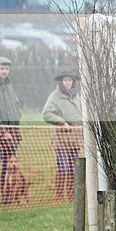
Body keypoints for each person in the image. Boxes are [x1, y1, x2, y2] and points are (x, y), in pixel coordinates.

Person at [42, 70, 83, 202]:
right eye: (65, 80)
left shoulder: (77, 97)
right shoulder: (55, 97)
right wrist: (62, 122)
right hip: (62, 140)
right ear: (61, 82)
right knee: (63, 167)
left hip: (76, 140)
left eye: (70, 80)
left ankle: (71, 196)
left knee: (73, 168)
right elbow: (46, 114)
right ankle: (59, 197)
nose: (68, 83)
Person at [0, 56, 22, 206]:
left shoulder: (9, 86)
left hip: (12, 134)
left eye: (7, 69)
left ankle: (7, 198)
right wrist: (3, 131)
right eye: (2, 68)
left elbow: (15, 107)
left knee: (9, 167)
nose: (4, 71)